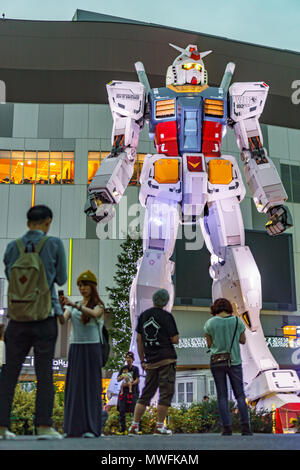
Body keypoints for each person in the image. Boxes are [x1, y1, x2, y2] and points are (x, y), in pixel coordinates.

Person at [0, 204, 67, 440]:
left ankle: (1, 427)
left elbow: (11, 276)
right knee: (44, 372)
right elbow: (61, 278)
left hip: (17, 318)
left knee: (9, 373)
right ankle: (43, 427)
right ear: (47, 222)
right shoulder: (54, 244)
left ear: (28, 222)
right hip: (44, 315)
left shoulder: (12, 247)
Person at [59, 270, 105, 438]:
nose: (82, 288)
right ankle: (72, 428)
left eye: (85, 285)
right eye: (79, 285)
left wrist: (74, 305)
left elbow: (94, 314)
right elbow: (62, 320)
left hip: (92, 349)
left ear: (92, 286)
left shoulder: (99, 305)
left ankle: (92, 428)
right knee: (74, 388)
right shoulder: (74, 305)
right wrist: (60, 307)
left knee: (91, 389)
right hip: (76, 348)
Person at [128, 288, 179, 436]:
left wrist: (142, 359)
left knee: (145, 394)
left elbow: (139, 340)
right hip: (166, 360)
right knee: (165, 393)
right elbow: (175, 339)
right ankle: (158, 426)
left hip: (150, 361)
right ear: (166, 301)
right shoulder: (166, 316)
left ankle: (134, 426)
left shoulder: (144, 316)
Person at [204, 298, 252, 436]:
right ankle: (245, 428)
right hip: (234, 362)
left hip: (217, 362)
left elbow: (209, 344)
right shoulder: (237, 321)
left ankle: (227, 428)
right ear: (229, 307)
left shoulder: (210, 323)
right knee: (240, 395)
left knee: (222, 396)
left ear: (215, 308)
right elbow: (242, 340)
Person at [116, 351, 140, 435]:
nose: (128, 359)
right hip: (124, 392)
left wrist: (131, 383)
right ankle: (123, 429)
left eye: (129, 358)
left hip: (133, 392)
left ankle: (136, 428)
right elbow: (118, 379)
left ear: (132, 359)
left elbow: (137, 379)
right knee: (122, 410)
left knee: (135, 410)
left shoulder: (135, 369)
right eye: (126, 358)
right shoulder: (123, 368)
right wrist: (123, 375)